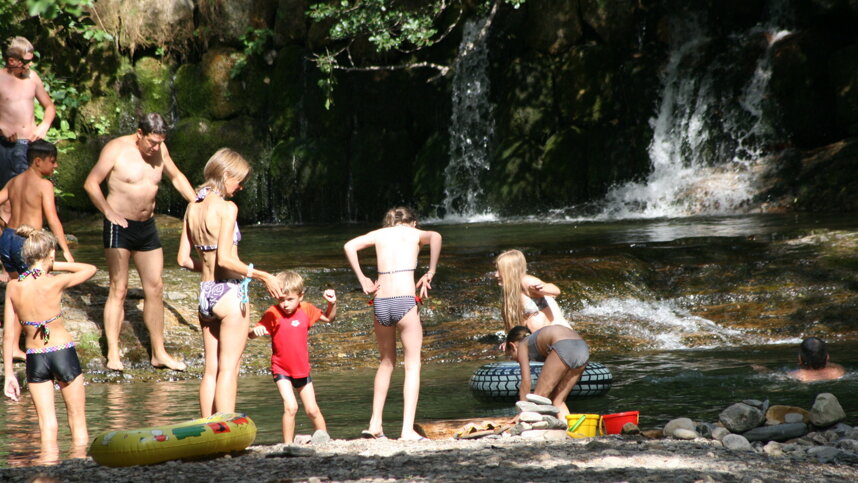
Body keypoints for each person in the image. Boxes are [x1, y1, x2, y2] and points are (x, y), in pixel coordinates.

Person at [83, 112, 195, 371]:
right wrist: (107, 212)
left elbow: (176, 177)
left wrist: (197, 202)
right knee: (119, 288)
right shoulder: (116, 149)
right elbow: (91, 183)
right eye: (152, 142)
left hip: (147, 226)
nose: (155, 148)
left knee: (155, 287)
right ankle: (113, 354)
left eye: (160, 142)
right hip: (119, 225)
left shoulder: (161, 150)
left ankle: (159, 353)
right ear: (140, 134)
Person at [177, 147, 281, 417]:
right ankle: (224, 428)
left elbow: (183, 260)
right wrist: (263, 275)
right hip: (228, 294)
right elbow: (225, 259)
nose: (241, 187)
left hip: (206, 293)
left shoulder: (192, 207)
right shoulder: (227, 208)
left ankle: (206, 427)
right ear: (225, 174)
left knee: (211, 369)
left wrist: (207, 266)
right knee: (229, 368)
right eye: (239, 181)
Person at [343, 206, 441, 441]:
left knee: (386, 362)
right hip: (405, 300)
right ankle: (406, 430)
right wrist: (430, 271)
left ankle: (375, 423)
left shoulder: (379, 234)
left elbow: (349, 246)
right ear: (413, 222)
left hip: (381, 302)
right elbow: (436, 236)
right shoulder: (415, 233)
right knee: (412, 365)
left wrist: (362, 278)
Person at [3, 226, 96, 457]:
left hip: (35, 358)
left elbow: (8, 335)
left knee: (46, 425)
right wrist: (53, 264)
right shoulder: (54, 281)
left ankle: (47, 466)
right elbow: (90, 269)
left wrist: (10, 375)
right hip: (62, 352)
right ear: (50, 253)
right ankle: (79, 464)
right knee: (77, 419)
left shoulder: (14, 287)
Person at [0, 140, 73, 361]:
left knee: (17, 290)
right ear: (38, 161)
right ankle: (30, 344)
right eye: (53, 161)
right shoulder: (44, 185)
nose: (56, 166)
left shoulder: (14, 181)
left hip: (8, 239)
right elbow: (53, 219)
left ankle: (13, 346)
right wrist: (65, 250)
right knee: (29, 293)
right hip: (27, 243)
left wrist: (3, 225)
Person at [249, 270, 337, 444]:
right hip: (281, 369)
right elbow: (251, 334)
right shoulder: (272, 313)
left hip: (302, 369)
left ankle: (324, 439)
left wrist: (332, 304)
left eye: (290, 299)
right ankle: (288, 445)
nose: (285, 304)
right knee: (291, 407)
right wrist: (255, 331)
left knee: (312, 410)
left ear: (300, 296)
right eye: (281, 299)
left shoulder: (307, 309)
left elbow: (329, 318)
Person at [0, 36, 56, 225]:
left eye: (31, 61)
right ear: (12, 60)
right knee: (7, 199)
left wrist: (44, 125)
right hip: (7, 145)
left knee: (29, 196)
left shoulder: (32, 77)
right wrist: (1, 129)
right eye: (25, 62)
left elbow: (49, 106)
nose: (29, 66)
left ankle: (26, 236)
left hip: (30, 145)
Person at [505, 324, 589, 418]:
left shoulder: (522, 345)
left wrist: (522, 413)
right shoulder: (537, 339)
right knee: (558, 401)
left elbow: (526, 382)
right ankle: (567, 426)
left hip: (563, 345)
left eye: (510, 355)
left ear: (512, 346)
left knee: (538, 398)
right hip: (583, 348)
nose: (514, 360)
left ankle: (529, 425)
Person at [495, 249, 571, 333]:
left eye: (500, 271)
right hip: (534, 335)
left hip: (556, 333)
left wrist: (543, 288)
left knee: (535, 320)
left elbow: (556, 291)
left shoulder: (526, 281)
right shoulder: (510, 289)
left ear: (512, 270)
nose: (496, 275)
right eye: (496, 270)